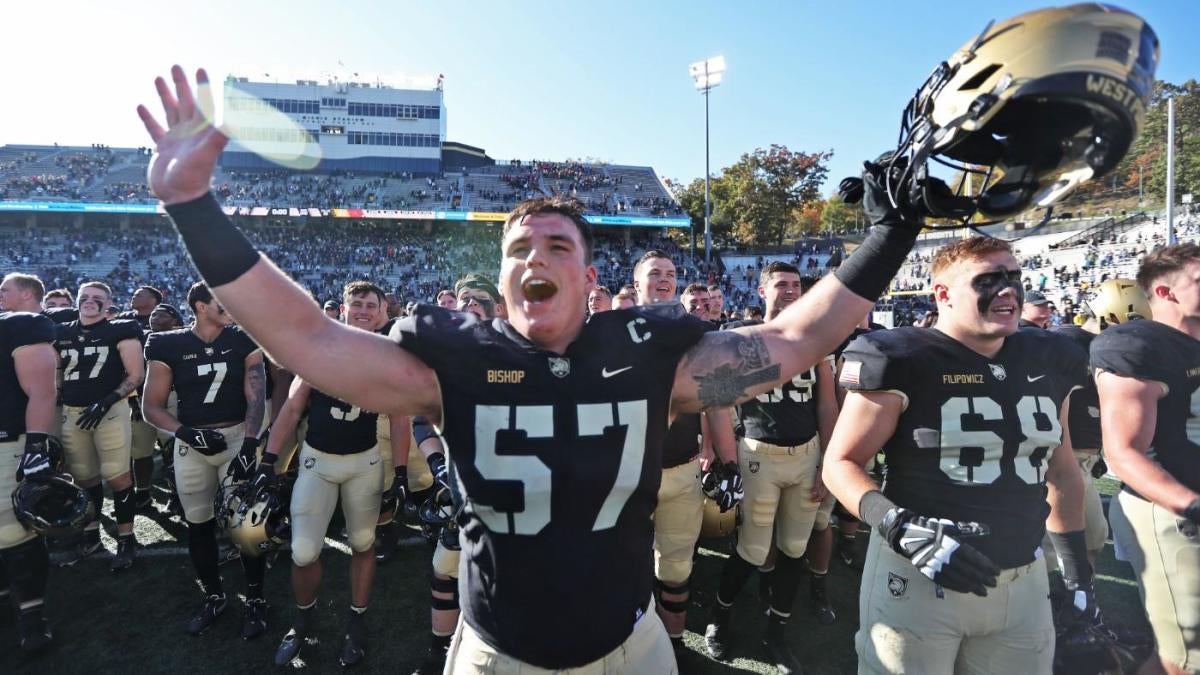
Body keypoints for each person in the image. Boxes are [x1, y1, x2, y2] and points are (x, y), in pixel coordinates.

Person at [137, 65, 918, 672]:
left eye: (557, 247)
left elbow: (788, 342)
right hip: (497, 650)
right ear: (503, 279)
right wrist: (193, 207)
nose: (534, 258)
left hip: (630, 641)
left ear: (588, 278)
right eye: (518, 249)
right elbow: (306, 338)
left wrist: (888, 237)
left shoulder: (648, 360)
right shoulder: (453, 367)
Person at [823, 236, 1091, 674]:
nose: (1008, 290)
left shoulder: (1050, 355)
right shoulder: (901, 356)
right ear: (942, 294)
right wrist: (897, 526)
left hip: (1024, 577)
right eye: (988, 280)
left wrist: (1078, 569)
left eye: (1013, 277)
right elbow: (841, 463)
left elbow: (1060, 468)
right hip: (920, 575)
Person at [705, 262, 840, 670]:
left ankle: (776, 635)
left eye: (796, 284)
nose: (790, 290)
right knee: (751, 550)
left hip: (806, 454)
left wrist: (828, 463)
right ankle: (719, 619)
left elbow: (826, 403)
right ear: (761, 291)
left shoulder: (816, 340)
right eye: (780, 284)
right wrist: (727, 460)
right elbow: (717, 400)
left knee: (794, 549)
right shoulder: (739, 340)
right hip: (758, 454)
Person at [265, 281, 401, 667]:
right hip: (317, 460)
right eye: (356, 303)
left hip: (365, 463)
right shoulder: (318, 349)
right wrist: (268, 459)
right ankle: (303, 618)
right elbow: (291, 409)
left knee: (362, 542)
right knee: (304, 550)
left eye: (370, 305)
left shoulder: (391, 355)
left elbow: (400, 418)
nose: (362, 309)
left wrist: (402, 473)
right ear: (343, 308)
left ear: (381, 312)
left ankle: (357, 619)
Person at [1093, 244, 1200, 675]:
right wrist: (1192, 505)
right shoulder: (1139, 347)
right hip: (1172, 516)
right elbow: (1122, 453)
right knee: (1186, 661)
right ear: (1166, 291)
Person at [142, 282, 268, 637]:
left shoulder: (243, 337)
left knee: (246, 526)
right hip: (192, 444)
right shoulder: (167, 342)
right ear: (200, 305)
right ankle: (214, 595)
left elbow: (255, 396)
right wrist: (185, 433)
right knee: (198, 523)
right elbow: (151, 405)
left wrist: (249, 444)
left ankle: (256, 599)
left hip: (237, 436)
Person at [632, 263, 741, 667]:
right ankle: (632, 642)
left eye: (670, 273)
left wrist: (729, 463)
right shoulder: (606, 330)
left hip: (682, 467)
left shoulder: (700, 334)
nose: (663, 277)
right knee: (624, 563)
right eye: (654, 272)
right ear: (635, 282)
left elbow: (719, 401)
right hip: (626, 470)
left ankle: (674, 645)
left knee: (677, 565)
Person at [412, 273, 505, 675]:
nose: (469, 304)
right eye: (463, 298)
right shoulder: (444, 357)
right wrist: (439, 469)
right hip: (463, 482)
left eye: (479, 299)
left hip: (513, 487)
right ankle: (438, 654)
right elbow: (420, 420)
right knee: (445, 565)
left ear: (498, 307)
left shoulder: (521, 349)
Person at [53, 281, 145, 569]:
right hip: (73, 411)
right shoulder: (61, 332)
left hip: (111, 411)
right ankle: (91, 534)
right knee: (84, 477)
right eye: (85, 297)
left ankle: (126, 538)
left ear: (108, 303)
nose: (90, 301)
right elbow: (57, 372)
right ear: (77, 301)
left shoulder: (122, 329)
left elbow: (135, 374)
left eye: (97, 298)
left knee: (118, 476)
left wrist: (106, 402)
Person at [0, 307, 60, 653]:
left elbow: (42, 390)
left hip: (7, 441)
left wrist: (35, 444)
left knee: (14, 533)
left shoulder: (19, 325)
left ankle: (32, 616)